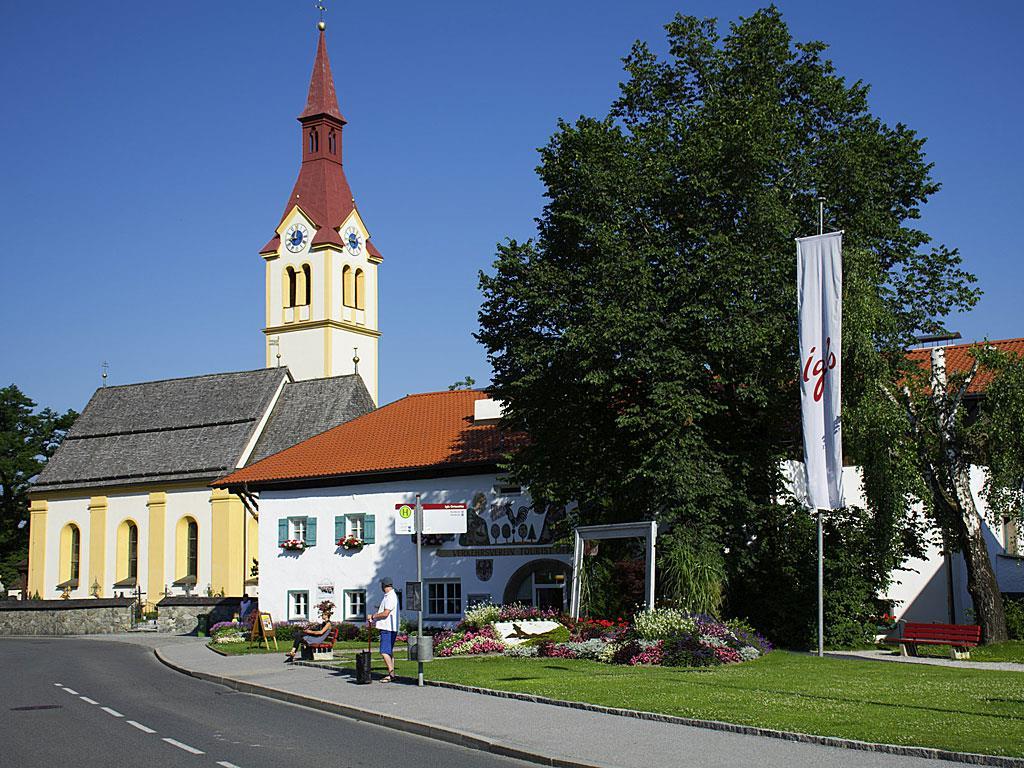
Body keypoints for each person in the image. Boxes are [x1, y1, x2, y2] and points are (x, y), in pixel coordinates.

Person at [367, 576, 399, 682]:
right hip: (390, 627)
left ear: (384, 585)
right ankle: (391, 673)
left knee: (384, 651)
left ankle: (391, 674)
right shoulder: (389, 596)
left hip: (387, 628)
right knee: (389, 652)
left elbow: (386, 613)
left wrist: (373, 616)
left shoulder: (390, 597)